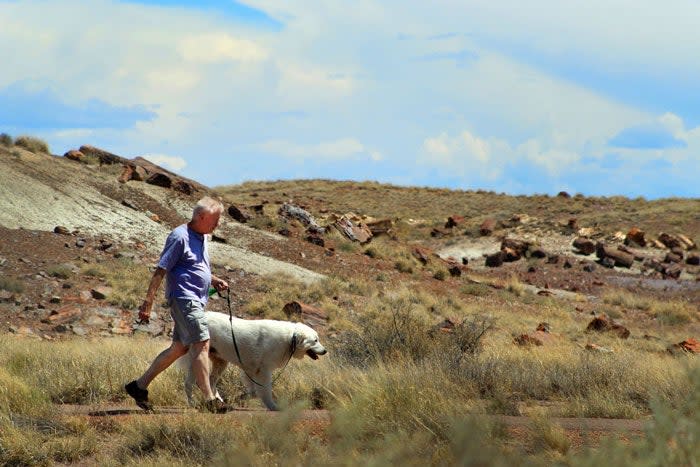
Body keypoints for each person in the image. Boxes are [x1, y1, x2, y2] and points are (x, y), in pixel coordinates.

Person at [125, 196, 229, 413]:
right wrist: (148, 302)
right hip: (184, 298)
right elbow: (161, 269)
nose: (217, 225)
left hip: (196, 299)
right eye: (215, 220)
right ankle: (210, 399)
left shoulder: (201, 237)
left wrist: (213, 279)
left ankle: (139, 386)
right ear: (201, 217)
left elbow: (194, 267)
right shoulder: (179, 236)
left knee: (179, 348)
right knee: (202, 343)